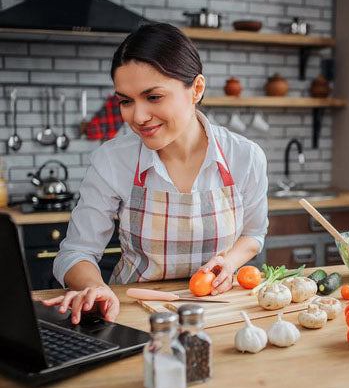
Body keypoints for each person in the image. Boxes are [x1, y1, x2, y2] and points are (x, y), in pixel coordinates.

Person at [43, 23, 268, 324]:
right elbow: (75, 253)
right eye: (126, 101)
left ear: (196, 89)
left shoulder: (245, 156)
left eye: (153, 97)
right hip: (132, 313)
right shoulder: (112, 160)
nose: (137, 117)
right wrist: (95, 288)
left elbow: (253, 234)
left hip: (219, 310)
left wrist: (228, 262)